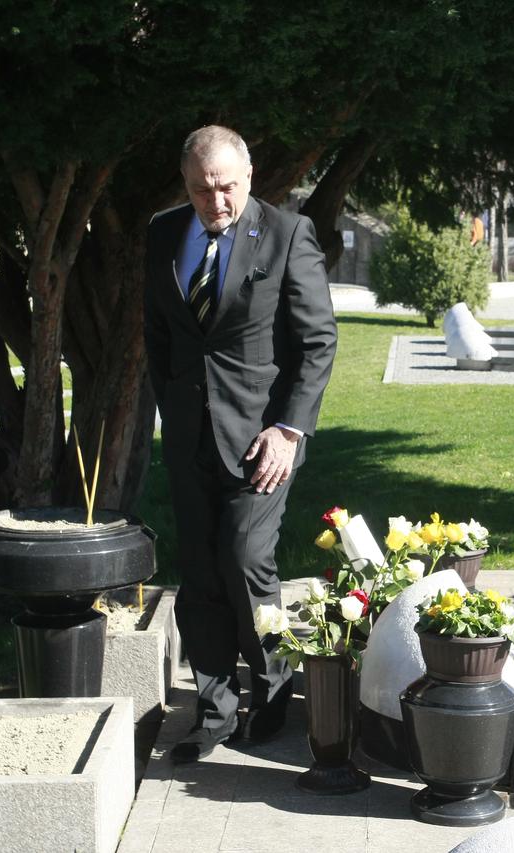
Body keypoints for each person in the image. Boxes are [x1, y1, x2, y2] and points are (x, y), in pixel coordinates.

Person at [143, 125, 337, 762]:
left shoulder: (285, 235)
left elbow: (316, 343)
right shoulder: (162, 234)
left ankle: (274, 693)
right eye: (203, 189)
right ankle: (215, 709)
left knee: (244, 558)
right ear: (187, 186)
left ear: (249, 178)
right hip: (189, 435)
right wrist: (169, 404)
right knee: (199, 573)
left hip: (263, 438)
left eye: (226, 187)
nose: (215, 201)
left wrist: (289, 430)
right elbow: (159, 336)